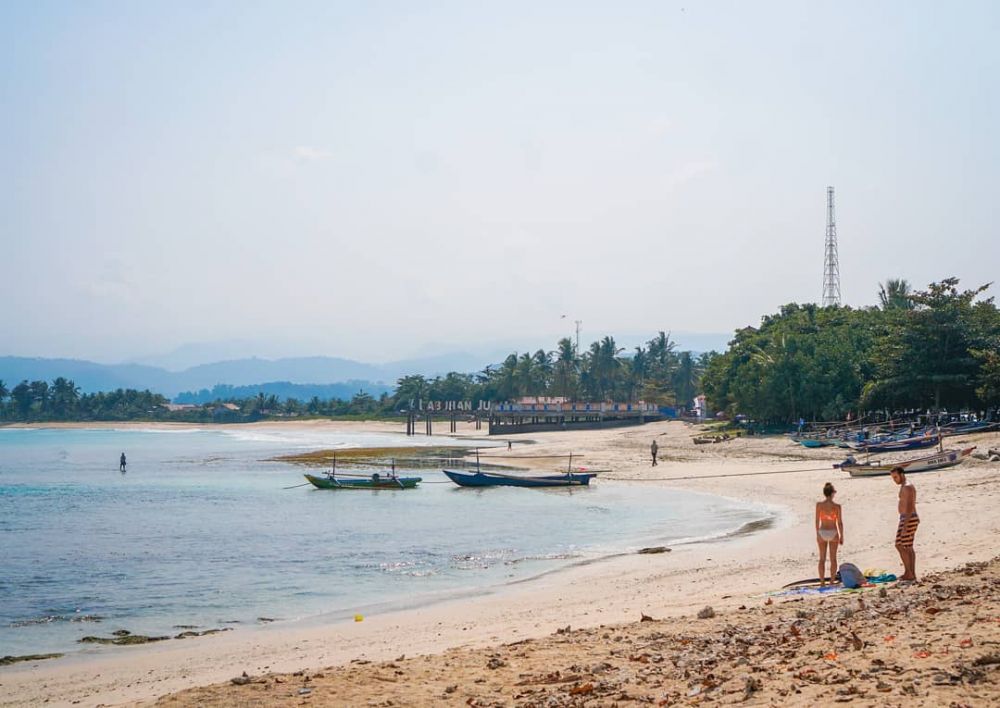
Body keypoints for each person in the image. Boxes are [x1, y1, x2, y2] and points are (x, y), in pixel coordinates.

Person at [890, 466, 919, 581]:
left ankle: (909, 573)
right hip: (907, 518)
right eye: (893, 478)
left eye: (896, 477)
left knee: (900, 545)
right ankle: (911, 573)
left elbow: (910, 505)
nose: (894, 480)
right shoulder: (904, 486)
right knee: (908, 546)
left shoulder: (907, 487)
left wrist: (906, 524)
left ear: (902, 474)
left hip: (908, 518)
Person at [815, 482, 843, 586]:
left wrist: (817, 533)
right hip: (833, 532)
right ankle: (831, 581)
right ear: (832, 493)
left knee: (822, 558)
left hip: (822, 531)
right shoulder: (837, 506)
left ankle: (822, 582)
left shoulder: (819, 505)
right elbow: (839, 522)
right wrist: (841, 535)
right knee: (833, 558)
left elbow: (817, 521)